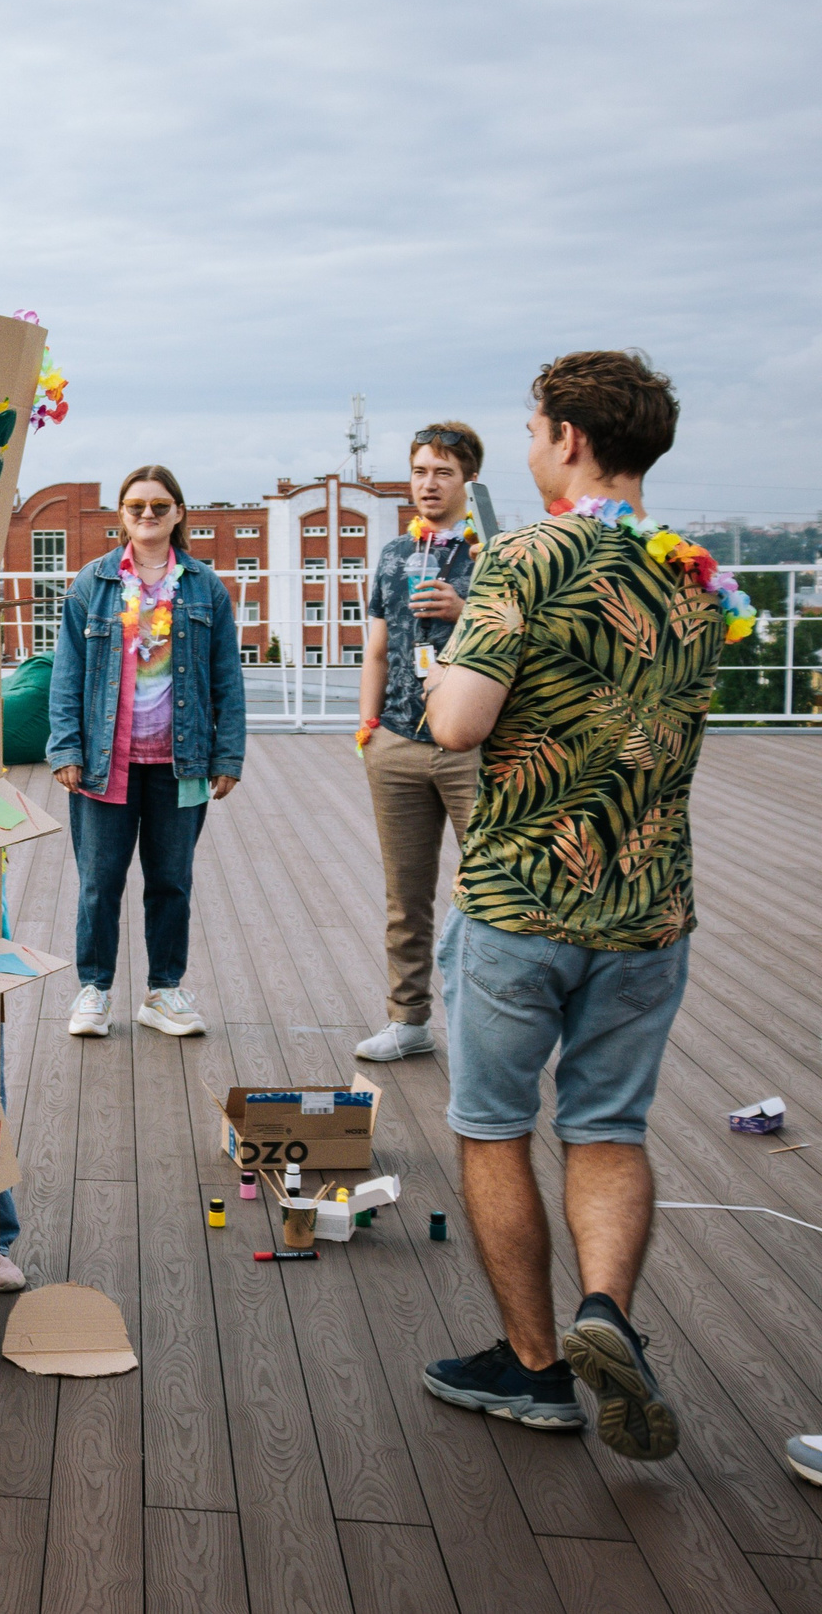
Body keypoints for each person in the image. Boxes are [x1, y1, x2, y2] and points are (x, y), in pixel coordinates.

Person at [417, 351, 741, 1462]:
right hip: (650, 905)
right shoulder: (698, 576)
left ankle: (535, 1366)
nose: (527, 447)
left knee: (494, 1127)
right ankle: (606, 1311)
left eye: (531, 430)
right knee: (607, 1128)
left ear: (569, 438)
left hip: (523, 897)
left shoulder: (526, 555)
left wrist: (437, 674)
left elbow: (459, 724)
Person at [47, 465, 245, 1040]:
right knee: (98, 882)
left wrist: (227, 755)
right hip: (105, 762)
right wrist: (65, 747)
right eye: (137, 506)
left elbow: (227, 677)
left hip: (181, 764)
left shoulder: (205, 587)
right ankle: (94, 990)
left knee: (171, 882)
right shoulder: (93, 583)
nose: (148, 515)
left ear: (179, 513)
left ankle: (163, 991)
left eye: (160, 506)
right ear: (122, 515)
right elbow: (67, 672)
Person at [353, 422, 484, 1063]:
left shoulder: (497, 555)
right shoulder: (395, 554)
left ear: (469, 480)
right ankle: (408, 1021)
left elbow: (528, 639)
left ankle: (485, 1028)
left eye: (443, 473)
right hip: (398, 742)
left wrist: (467, 609)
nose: (428, 484)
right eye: (420, 471)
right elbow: (377, 649)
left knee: (489, 891)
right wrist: (369, 729)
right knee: (405, 896)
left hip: (473, 747)